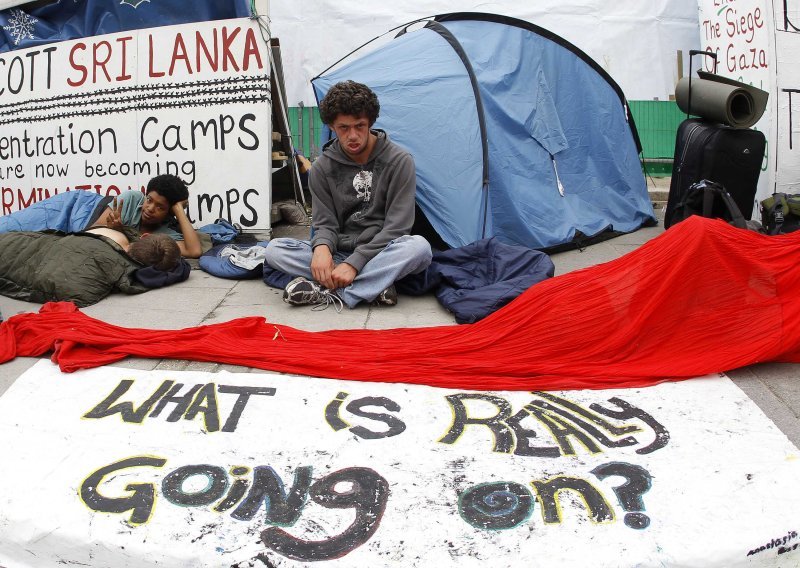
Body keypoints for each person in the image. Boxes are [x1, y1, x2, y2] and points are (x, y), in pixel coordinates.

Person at [264, 80, 432, 309]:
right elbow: (324, 223)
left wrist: (355, 263)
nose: (353, 135)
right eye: (344, 128)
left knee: (419, 248)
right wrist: (322, 248)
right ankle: (373, 286)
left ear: (370, 122)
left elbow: (397, 228)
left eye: (360, 126)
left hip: (380, 253)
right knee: (274, 251)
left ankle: (329, 291)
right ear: (332, 126)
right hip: (339, 253)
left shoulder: (399, 161)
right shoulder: (322, 168)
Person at [92, 174, 203, 258]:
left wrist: (179, 209)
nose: (150, 208)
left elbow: (194, 251)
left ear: (170, 212)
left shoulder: (167, 233)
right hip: (87, 206)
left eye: (160, 207)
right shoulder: (130, 199)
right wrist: (110, 229)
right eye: (149, 200)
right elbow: (93, 229)